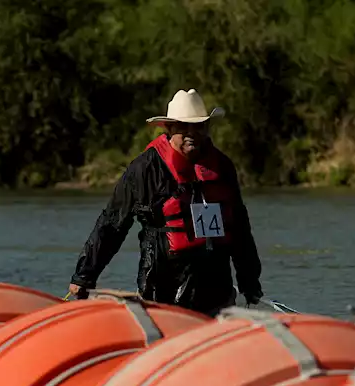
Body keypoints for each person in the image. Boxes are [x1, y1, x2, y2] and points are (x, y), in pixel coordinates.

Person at [67, 89, 263, 316]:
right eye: (183, 126)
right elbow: (112, 224)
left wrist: (249, 281)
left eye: (198, 126)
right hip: (162, 290)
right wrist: (84, 276)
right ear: (169, 129)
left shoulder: (222, 167)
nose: (192, 133)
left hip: (216, 292)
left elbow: (239, 227)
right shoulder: (144, 169)